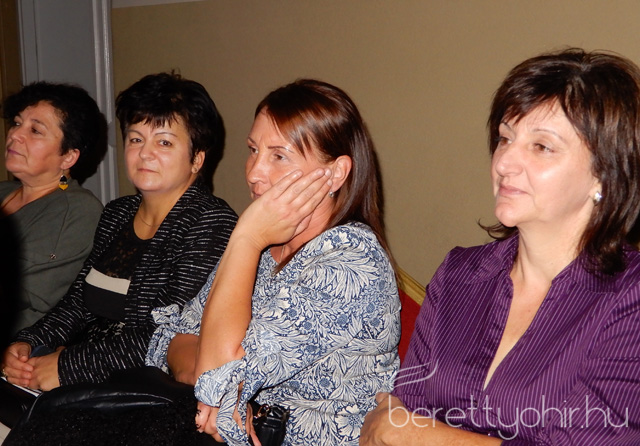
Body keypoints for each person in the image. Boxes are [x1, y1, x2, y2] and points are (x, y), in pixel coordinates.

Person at [360, 48, 640, 445]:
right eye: (505, 138)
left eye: (541, 146)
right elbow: (404, 414)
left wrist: (415, 434)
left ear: (604, 175)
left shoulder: (630, 297)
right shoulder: (459, 274)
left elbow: (403, 428)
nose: (504, 162)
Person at [146, 79, 401, 445]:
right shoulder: (266, 245)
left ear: (335, 173)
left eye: (278, 156)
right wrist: (217, 378)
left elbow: (216, 375)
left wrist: (245, 239)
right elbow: (168, 340)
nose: (253, 172)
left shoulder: (350, 260)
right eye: (253, 150)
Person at [0, 73, 237, 425]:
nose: (145, 153)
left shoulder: (212, 222)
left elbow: (166, 335)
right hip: (84, 381)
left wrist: (67, 365)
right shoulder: (118, 213)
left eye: (164, 142)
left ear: (197, 158)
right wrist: (28, 342)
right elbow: (78, 302)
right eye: (136, 139)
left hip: (148, 401)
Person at [0, 82, 105, 334]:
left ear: (68, 156)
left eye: (35, 130)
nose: (15, 135)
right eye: (17, 123)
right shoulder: (3, 190)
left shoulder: (77, 209)